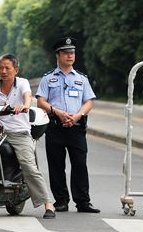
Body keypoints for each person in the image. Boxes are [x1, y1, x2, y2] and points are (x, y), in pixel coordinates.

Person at [0, 54, 56, 219]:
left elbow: (28, 96)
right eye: (1, 68)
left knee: (28, 165)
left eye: (8, 68)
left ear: (16, 70)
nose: (4, 71)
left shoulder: (22, 83)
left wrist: (25, 106)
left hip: (19, 133)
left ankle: (48, 204)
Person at [35, 37, 99, 213]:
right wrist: (59, 113)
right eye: (66, 53)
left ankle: (83, 201)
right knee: (56, 165)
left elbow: (88, 102)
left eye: (72, 52)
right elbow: (41, 101)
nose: (70, 55)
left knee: (80, 164)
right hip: (55, 127)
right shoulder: (48, 78)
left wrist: (78, 115)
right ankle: (61, 200)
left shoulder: (81, 78)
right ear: (58, 55)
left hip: (76, 128)